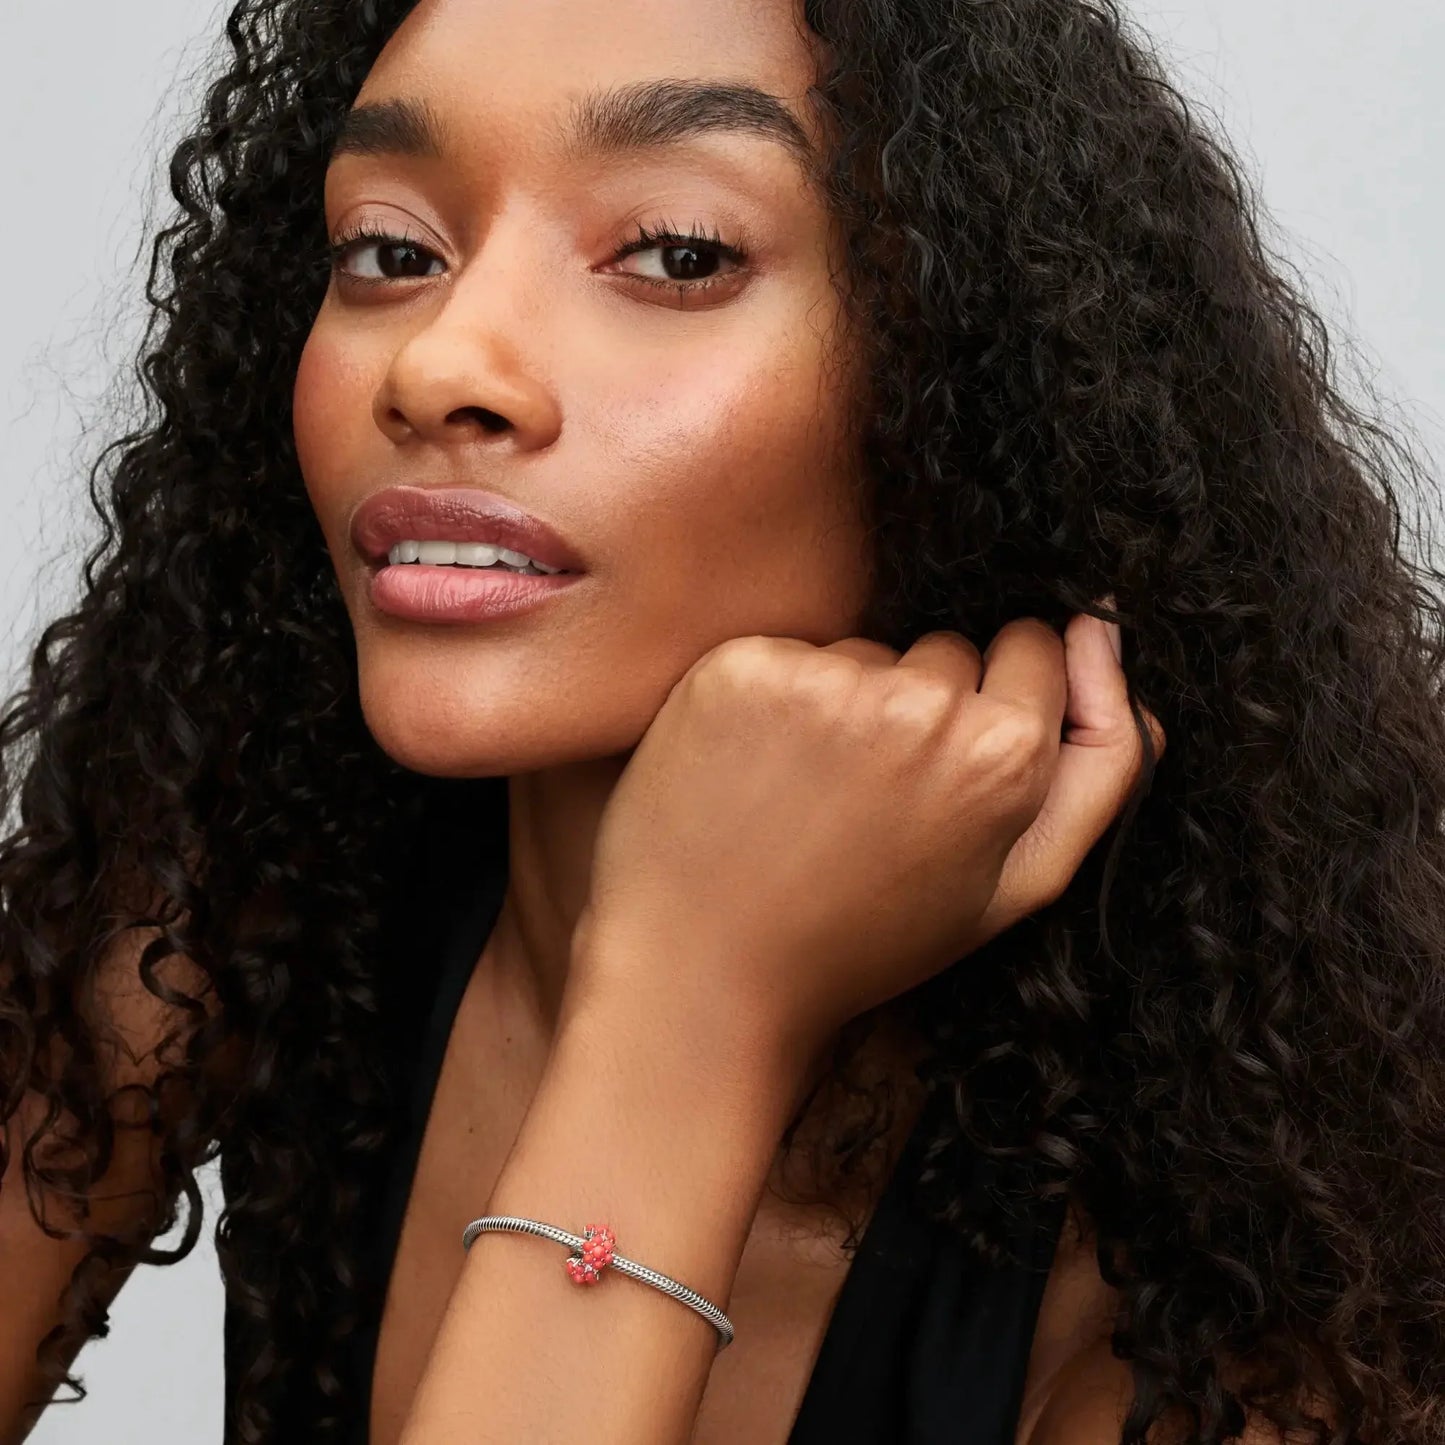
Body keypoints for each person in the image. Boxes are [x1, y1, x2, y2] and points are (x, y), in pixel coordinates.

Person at [3, 0, 1444, 1441]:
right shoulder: (230, 901)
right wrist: (682, 1007)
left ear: (979, 376)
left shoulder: (1237, 1314)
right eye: (391, 250)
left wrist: (691, 1011)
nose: (435, 365)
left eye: (678, 254)